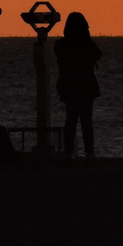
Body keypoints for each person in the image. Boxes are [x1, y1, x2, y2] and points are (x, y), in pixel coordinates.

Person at [52, 11, 102, 160]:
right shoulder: (86, 43)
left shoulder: (60, 45)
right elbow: (98, 54)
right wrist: (86, 38)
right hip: (86, 86)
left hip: (69, 86)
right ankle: (90, 152)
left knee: (71, 119)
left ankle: (68, 152)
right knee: (86, 120)